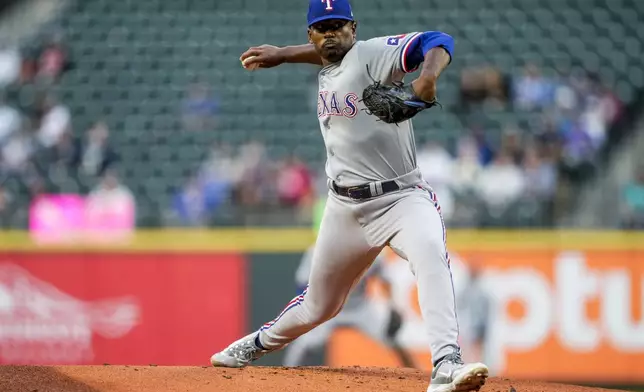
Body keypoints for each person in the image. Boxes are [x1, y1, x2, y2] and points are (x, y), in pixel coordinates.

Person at [210, 1, 489, 391]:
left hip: (401, 198)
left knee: (429, 252)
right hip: (344, 207)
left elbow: (438, 40)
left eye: (339, 26)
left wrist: (426, 77)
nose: (330, 34)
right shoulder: (328, 59)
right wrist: (283, 55)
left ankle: (445, 362)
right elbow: (326, 51)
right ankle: (253, 345)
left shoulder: (373, 54)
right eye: (322, 27)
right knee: (318, 306)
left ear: (353, 29)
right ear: (310, 34)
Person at [282, 198, 416, 368]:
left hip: (361, 307)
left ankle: (418, 378)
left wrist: (393, 306)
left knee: (394, 340)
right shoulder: (317, 251)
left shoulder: (371, 251)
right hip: (328, 310)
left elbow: (386, 280)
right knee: (304, 345)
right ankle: (286, 377)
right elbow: (302, 284)